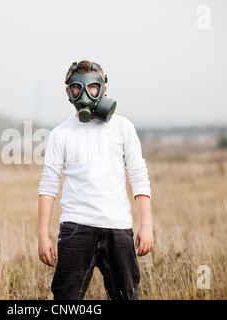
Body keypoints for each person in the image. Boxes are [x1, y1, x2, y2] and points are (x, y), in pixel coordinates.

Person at [38, 60, 153, 300]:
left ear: (104, 89)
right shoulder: (60, 134)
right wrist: (42, 234)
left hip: (118, 228)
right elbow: (49, 185)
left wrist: (147, 225)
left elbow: (139, 175)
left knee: (125, 296)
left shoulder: (123, 127)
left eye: (92, 87)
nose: (85, 94)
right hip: (76, 228)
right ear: (68, 92)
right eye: (77, 88)